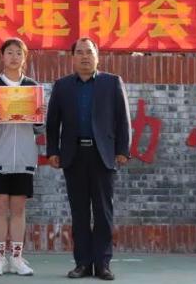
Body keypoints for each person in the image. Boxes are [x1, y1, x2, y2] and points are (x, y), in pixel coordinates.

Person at [45, 38, 131, 281]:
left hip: (102, 154)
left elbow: (123, 119)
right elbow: (53, 122)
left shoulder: (111, 82)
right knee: (80, 212)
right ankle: (82, 263)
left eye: (89, 52)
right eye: (80, 52)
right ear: (73, 57)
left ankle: (103, 264)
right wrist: (53, 151)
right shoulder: (62, 86)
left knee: (103, 212)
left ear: (97, 56)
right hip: (74, 156)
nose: (85, 56)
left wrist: (122, 150)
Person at [0, 38, 44, 276]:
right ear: (2, 57)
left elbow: (39, 129)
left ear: (24, 58)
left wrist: (40, 116)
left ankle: (16, 258)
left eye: (19, 53)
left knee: (18, 208)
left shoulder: (32, 87)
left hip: (24, 158)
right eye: (10, 53)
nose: (14, 57)